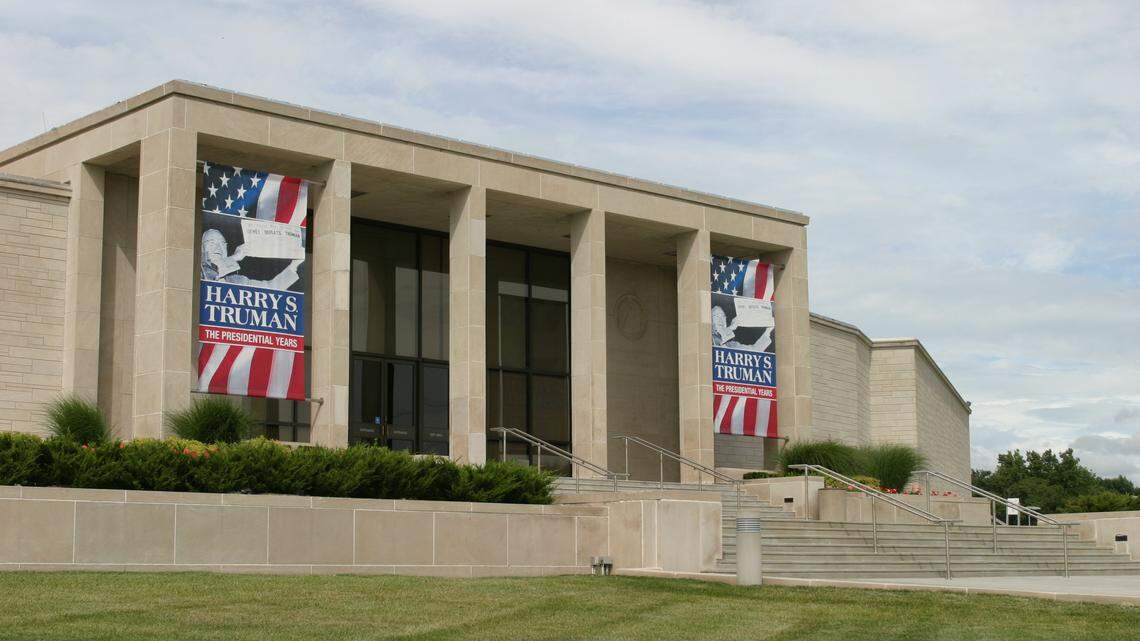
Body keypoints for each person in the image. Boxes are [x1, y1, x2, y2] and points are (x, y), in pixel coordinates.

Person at [200, 228, 302, 291]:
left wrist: (293, 265)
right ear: (202, 248)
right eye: (212, 243)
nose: (218, 247)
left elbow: (271, 287)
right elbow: (210, 273)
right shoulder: (196, 271)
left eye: (222, 244)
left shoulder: (238, 280)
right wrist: (235, 257)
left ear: (226, 250)